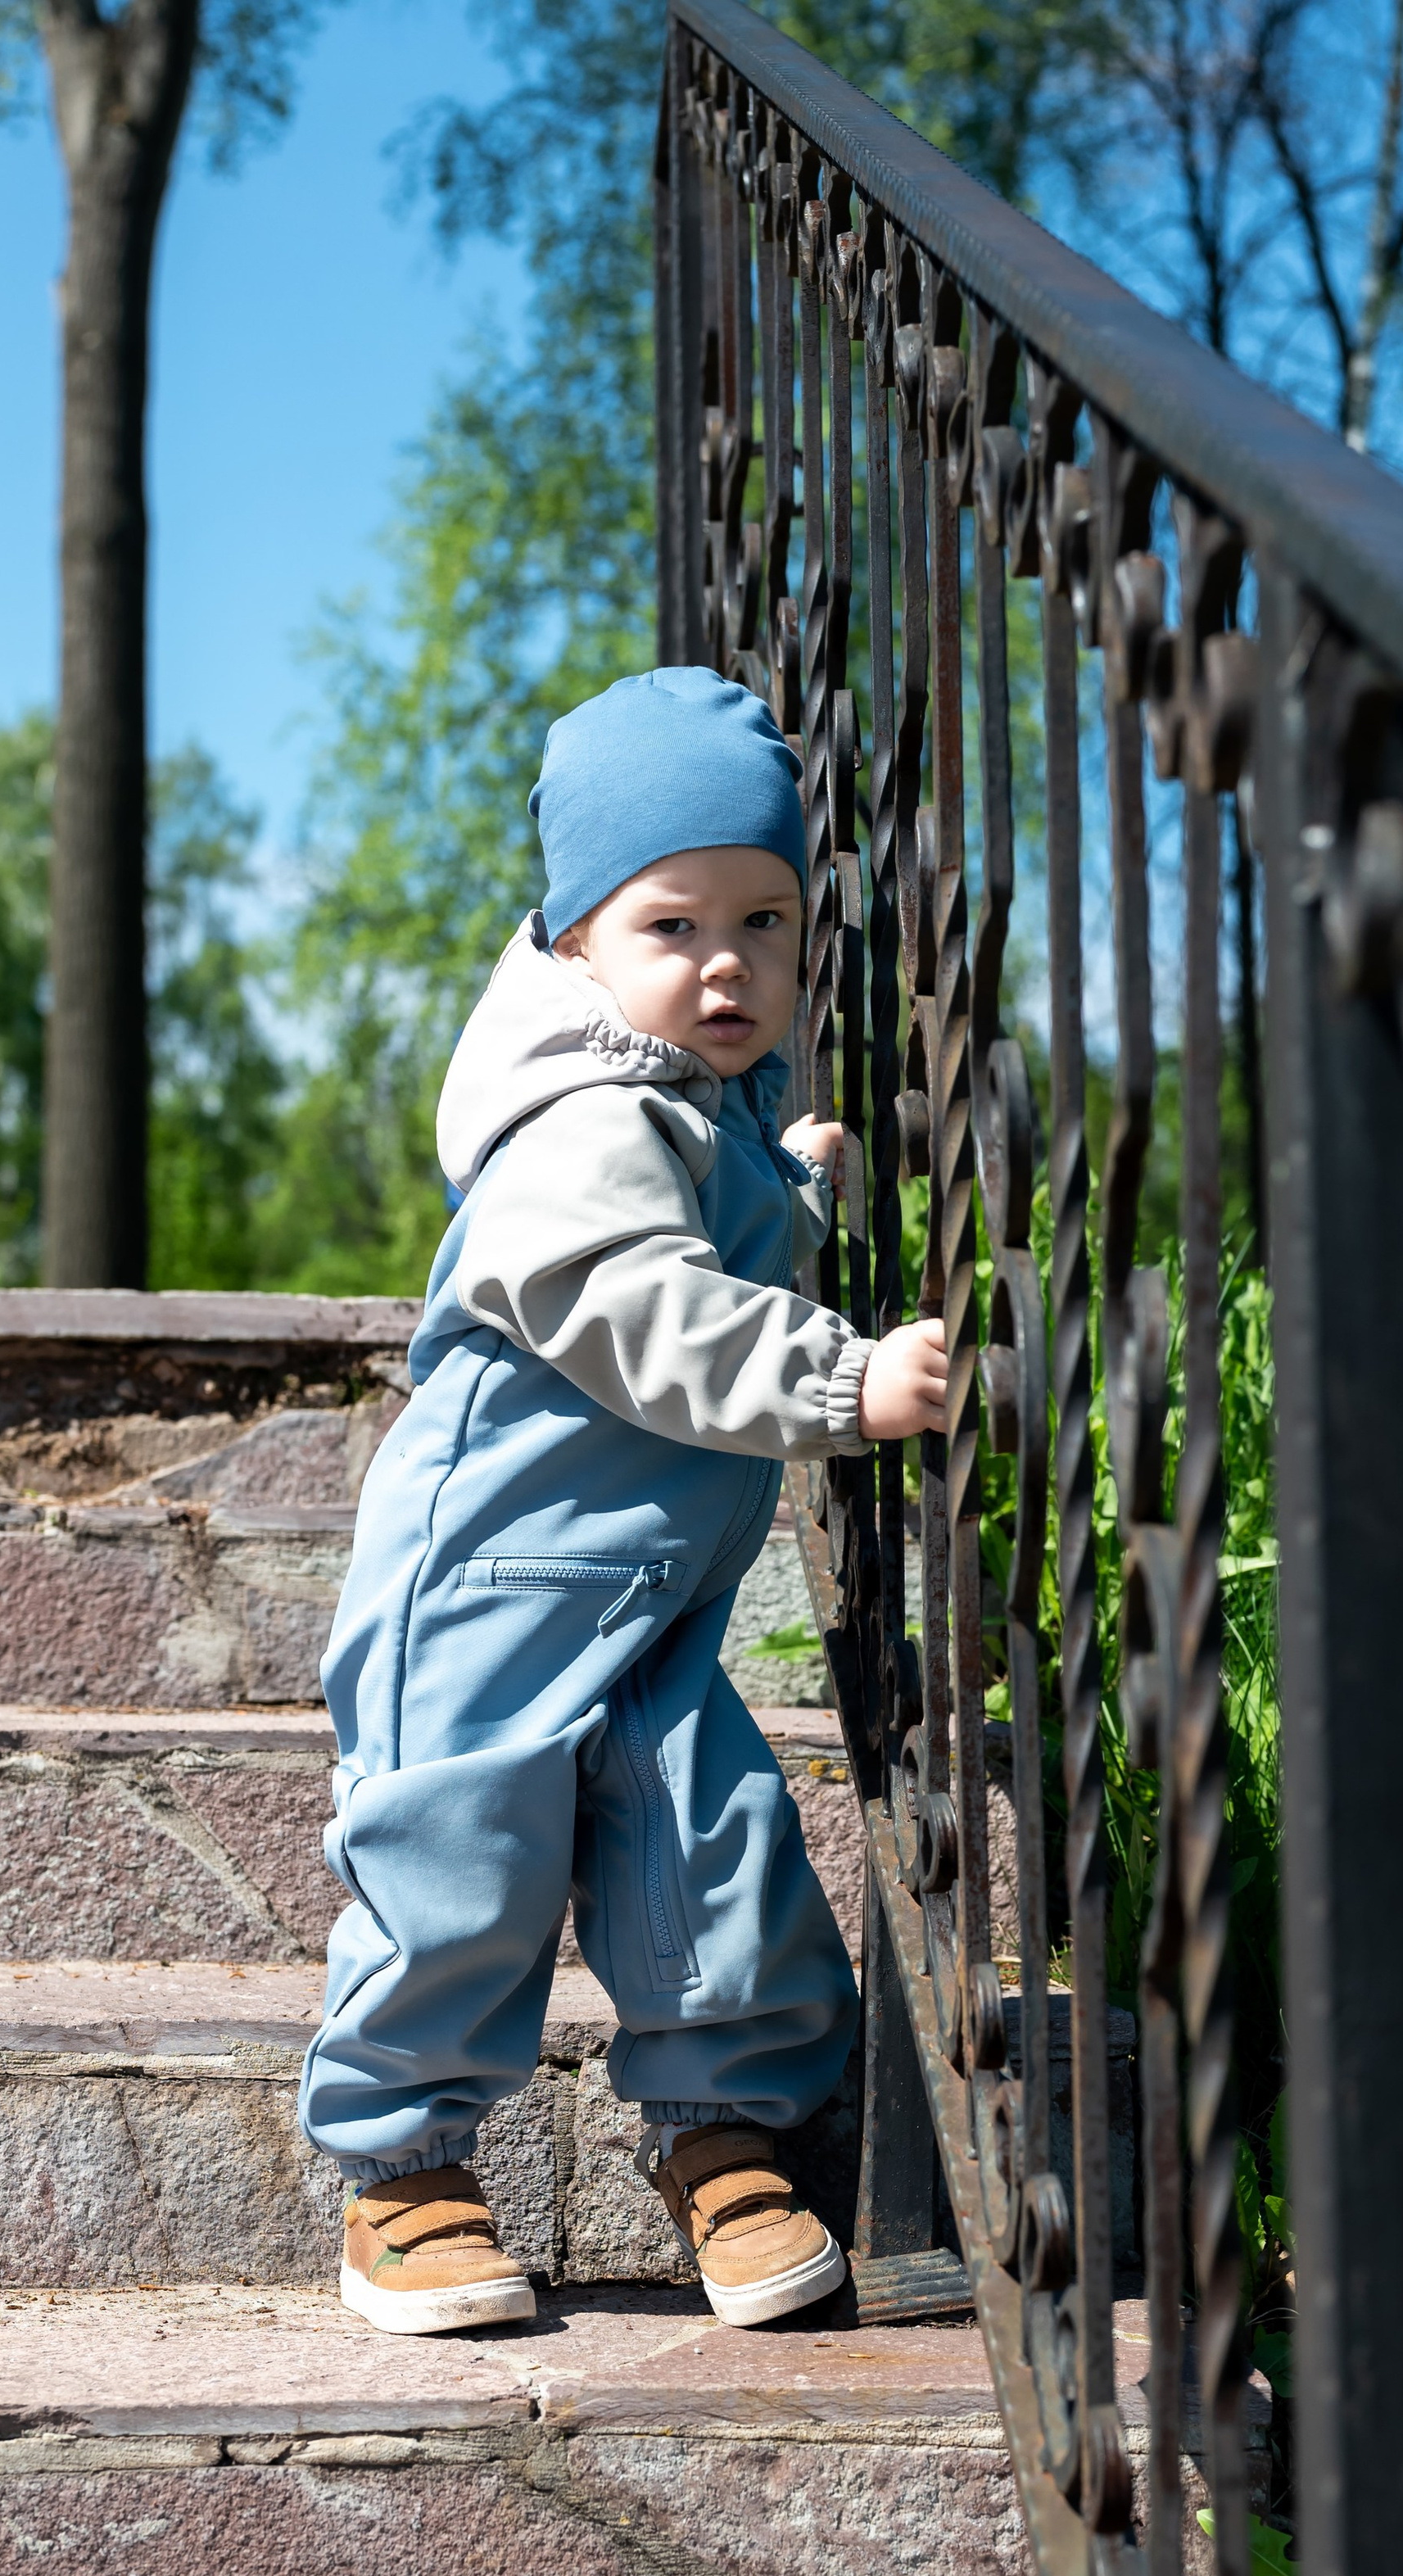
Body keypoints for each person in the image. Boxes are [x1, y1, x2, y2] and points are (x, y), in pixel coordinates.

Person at [301, 667, 948, 2336]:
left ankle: (721, 2138)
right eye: (673, 925)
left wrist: (792, 1187)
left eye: (764, 922)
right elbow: (644, 1306)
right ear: (577, 942)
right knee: (458, 1861)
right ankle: (403, 2174)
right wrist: (844, 1381)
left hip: (645, 1593)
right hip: (485, 1586)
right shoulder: (574, 1119)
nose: (727, 964)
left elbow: (707, 1230)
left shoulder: (685, 1103)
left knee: (706, 1840)